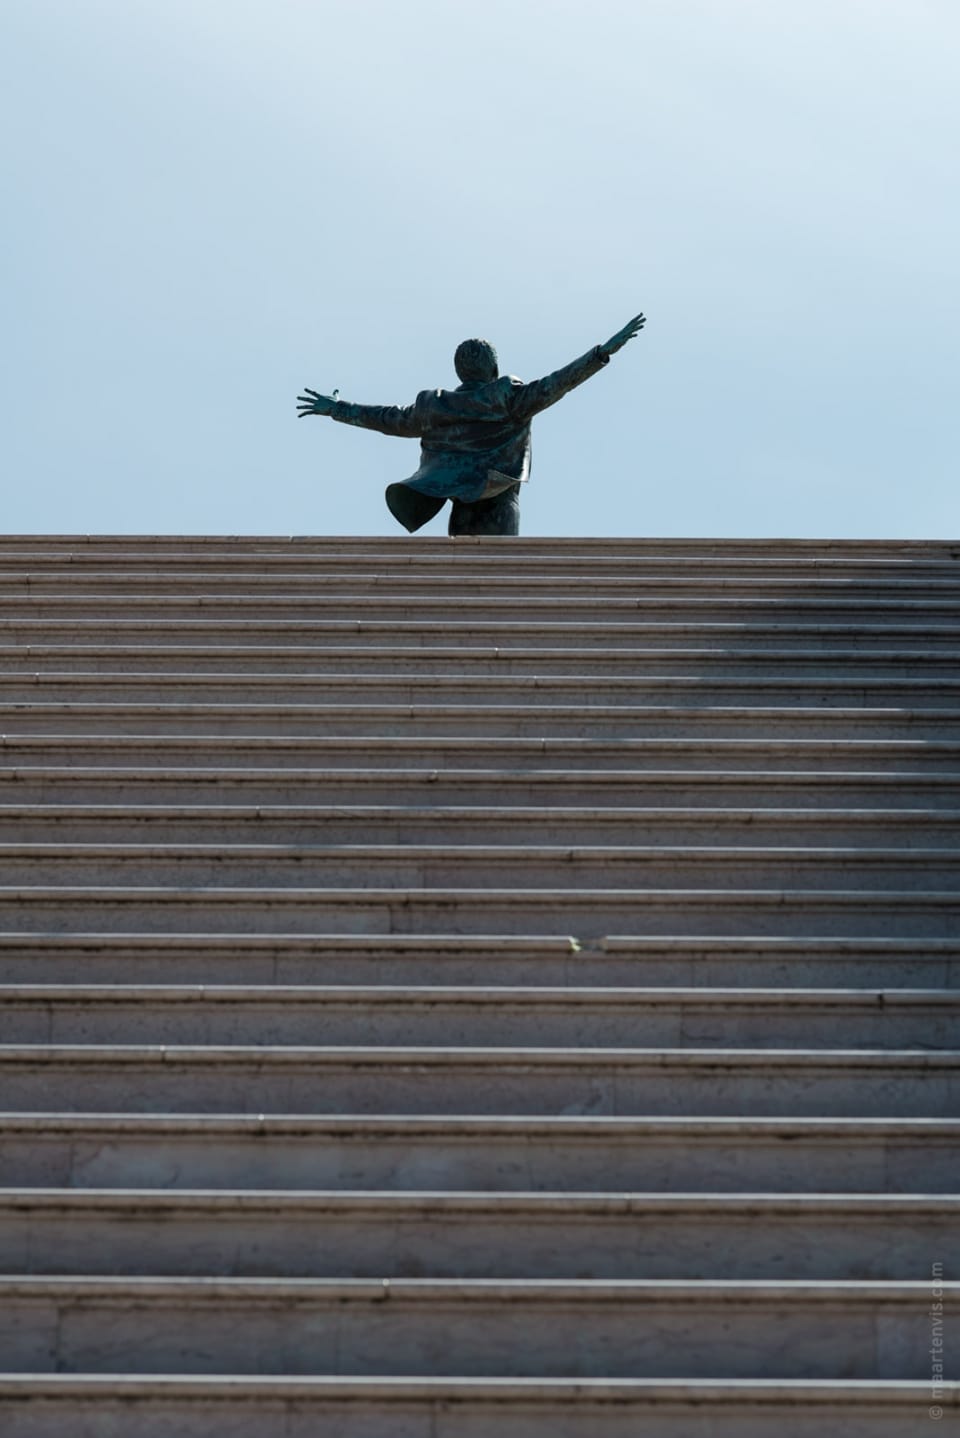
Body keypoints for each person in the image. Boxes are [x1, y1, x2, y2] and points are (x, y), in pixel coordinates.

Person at [296, 312, 645, 535]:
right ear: (493, 370)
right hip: (500, 502)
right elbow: (560, 382)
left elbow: (387, 418)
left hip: (457, 503)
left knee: (462, 576)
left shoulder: (433, 405)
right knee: (497, 579)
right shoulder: (508, 397)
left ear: (459, 372)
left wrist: (338, 408)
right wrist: (602, 352)